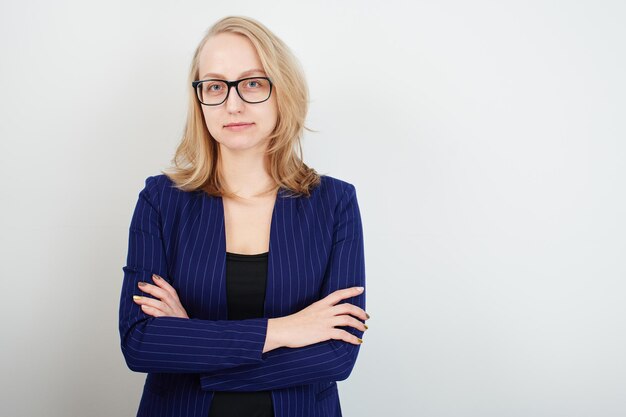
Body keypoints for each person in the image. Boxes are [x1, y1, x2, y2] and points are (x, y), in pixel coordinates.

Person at [118, 15, 369, 417]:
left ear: (281, 90)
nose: (232, 104)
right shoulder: (161, 200)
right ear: (199, 99)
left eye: (252, 83)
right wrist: (285, 330)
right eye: (215, 86)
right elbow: (141, 342)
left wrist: (191, 345)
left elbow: (337, 356)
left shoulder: (334, 203)